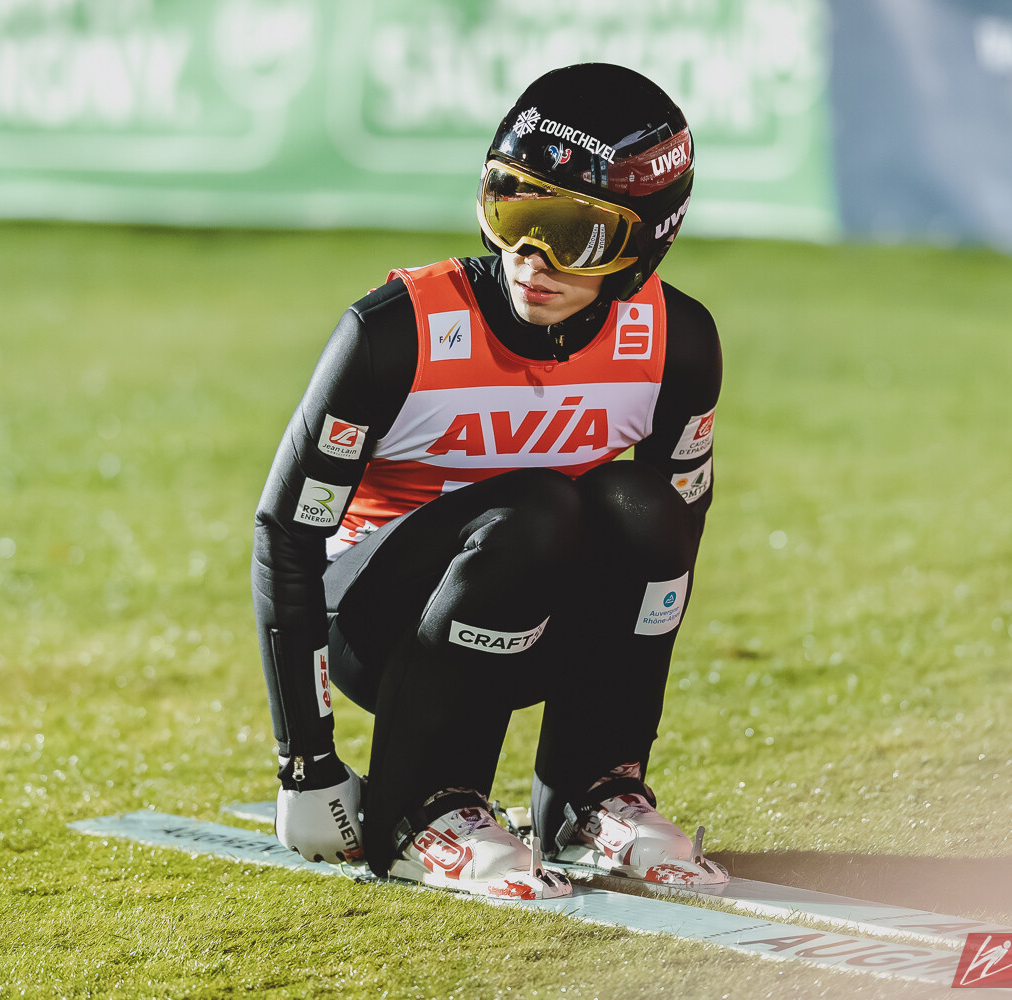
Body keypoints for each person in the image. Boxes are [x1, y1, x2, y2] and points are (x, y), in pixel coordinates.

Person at [252, 63, 724, 900]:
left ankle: (590, 799)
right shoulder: (396, 332)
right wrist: (305, 763)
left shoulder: (674, 341)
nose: (531, 259)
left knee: (649, 512)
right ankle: (423, 812)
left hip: (531, 621)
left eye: (575, 235)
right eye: (515, 210)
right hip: (375, 626)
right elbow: (287, 532)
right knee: (534, 509)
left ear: (647, 243)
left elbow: (665, 557)